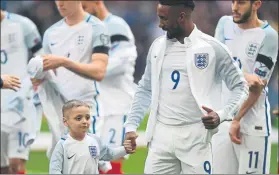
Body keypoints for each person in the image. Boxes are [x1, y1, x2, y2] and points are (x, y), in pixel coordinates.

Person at [123, 0, 249, 174]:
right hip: (161, 136)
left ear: (181, 17)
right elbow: (145, 88)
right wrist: (131, 126)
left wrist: (221, 115)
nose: (160, 24)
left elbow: (241, 87)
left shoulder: (211, 48)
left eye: (164, 19)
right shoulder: (157, 47)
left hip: (196, 137)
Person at [31, 0, 110, 159]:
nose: (60, 3)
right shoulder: (51, 33)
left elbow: (99, 71)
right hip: (61, 112)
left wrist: (64, 62)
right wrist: (38, 76)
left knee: (87, 160)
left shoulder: (97, 28)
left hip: (86, 108)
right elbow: (46, 71)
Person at [214, 0, 278, 174]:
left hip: (252, 124)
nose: (234, 7)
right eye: (233, 1)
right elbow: (217, 65)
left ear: (256, 4)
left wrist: (237, 119)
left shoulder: (269, 36)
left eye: (241, 2)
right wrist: (244, 75)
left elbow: (256, 86)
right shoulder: (224, 24)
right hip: (223, 120)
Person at [82, 1, 137, 174]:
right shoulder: (88, 28)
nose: (82, 12)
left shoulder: (115, 26)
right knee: (96, 163)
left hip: (117, 105)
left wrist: (89, 69)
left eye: (84, 7)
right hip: (98, 104)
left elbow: (121, 61)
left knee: (110, 164)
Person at [1, 9, 43, 174]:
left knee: (16, 163)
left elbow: (41, 54)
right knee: (3, 168)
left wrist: (38, 73)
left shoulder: (23, 25)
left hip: (20, 102)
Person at [49, 99, 135, 174]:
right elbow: (55, 169)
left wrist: (125, 149)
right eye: (78, 118)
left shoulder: (94, 140)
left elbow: (108, 154)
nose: (84, 121)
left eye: (87, 117)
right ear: (65, 121)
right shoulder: (62, 145)